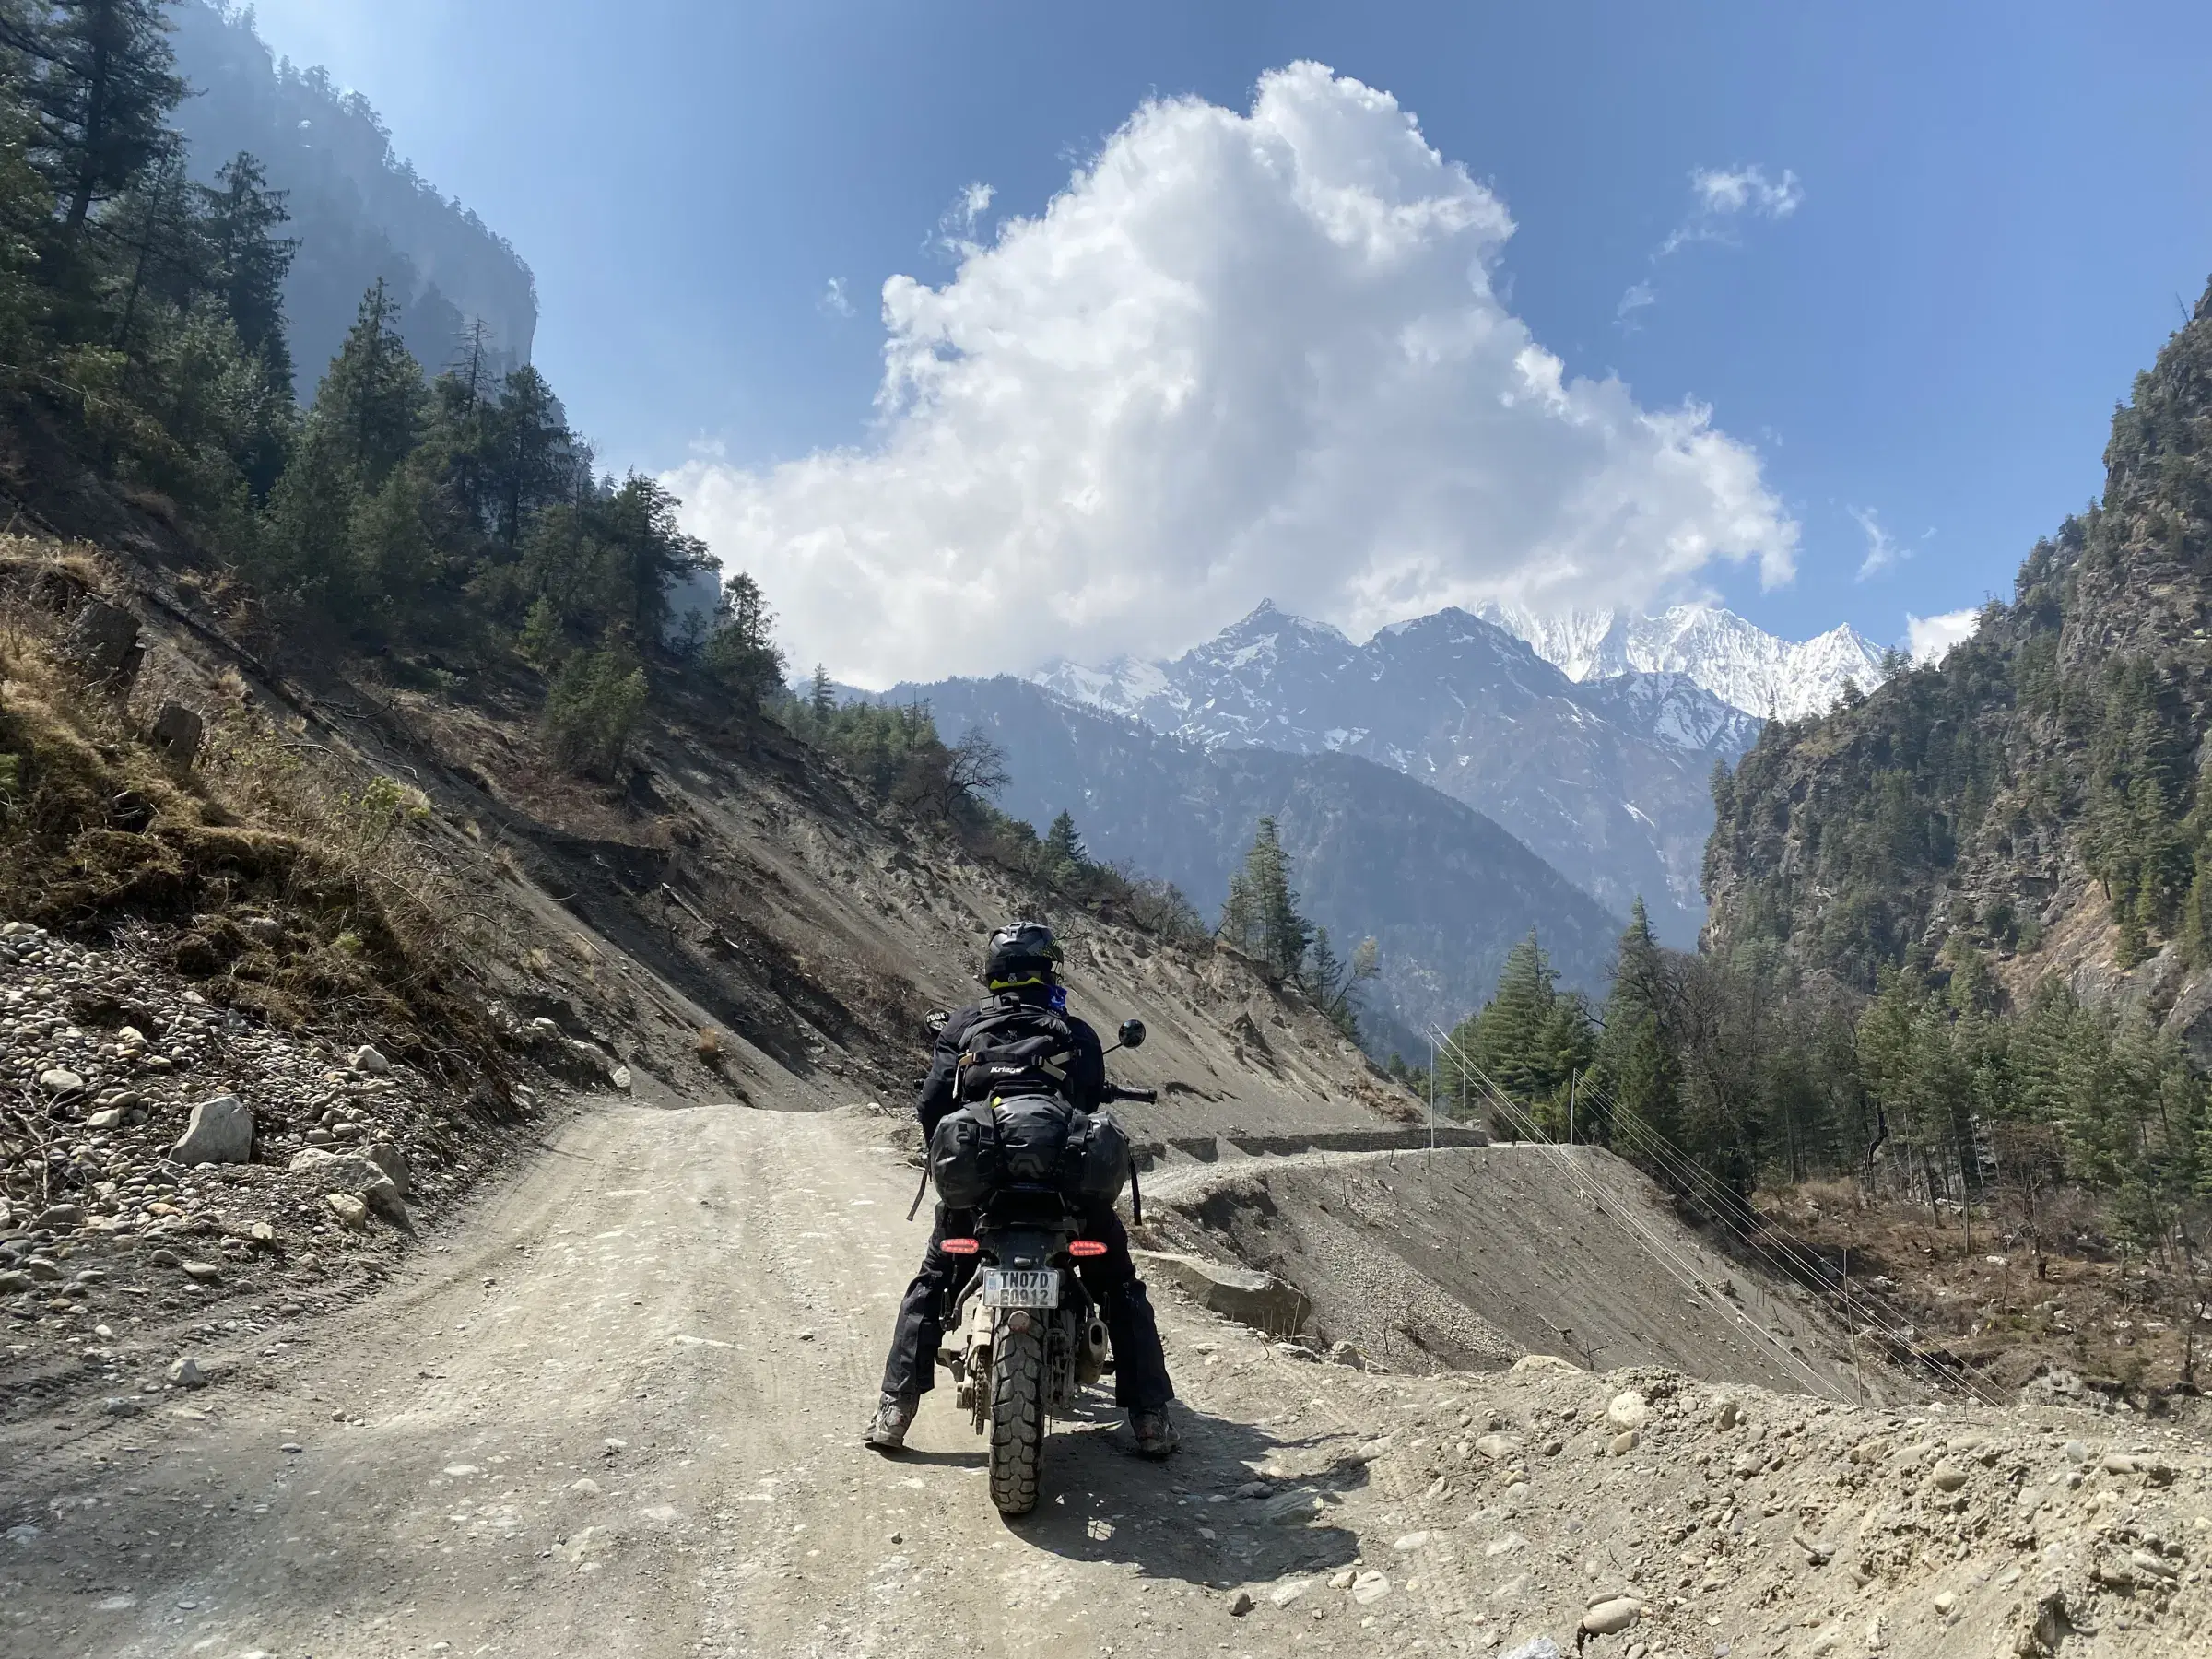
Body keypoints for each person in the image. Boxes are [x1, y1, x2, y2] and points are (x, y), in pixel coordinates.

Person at [865, 921, 1178, 1457]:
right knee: (1120, 1286)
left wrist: (949, 1165)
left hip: (983, 1197)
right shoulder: (1074, 1033)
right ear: (1048, 970)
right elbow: (1085, 1103)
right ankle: (1149, 1417)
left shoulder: (962, 1027)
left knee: (934, 1279)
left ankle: (895, 1411)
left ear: (993, 974)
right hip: (1065, 1199)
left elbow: (931, 1104)